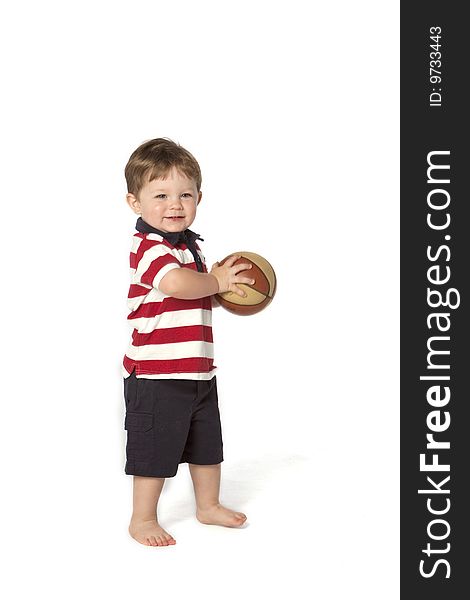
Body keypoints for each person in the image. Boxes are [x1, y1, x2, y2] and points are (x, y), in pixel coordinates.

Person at [122, 138, 255, 547]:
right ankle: (142, 519)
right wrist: (214, 281)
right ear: (135, 203)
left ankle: (208, 505)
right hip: (157, 374)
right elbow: (178, 284)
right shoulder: (150, 247)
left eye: (185, 194)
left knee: (206, 446)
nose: (174, 204)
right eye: (160, 195)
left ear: (200, 197)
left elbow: (195, 289)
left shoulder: (190, 246)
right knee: (153, 451)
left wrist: (221, 288)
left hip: (197, 370)